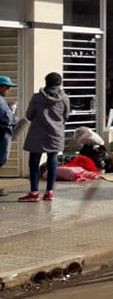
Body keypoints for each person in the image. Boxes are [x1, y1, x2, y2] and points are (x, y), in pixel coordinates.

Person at [19, 72, 70, 202]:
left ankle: (34, 192)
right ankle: (49, 192)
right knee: (53, 161)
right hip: (56, 134)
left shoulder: (37, 97)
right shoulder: (64, 98)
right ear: (59, 83)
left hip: (37, 134)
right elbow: (66, 116)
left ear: (46, 82)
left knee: (34, 162)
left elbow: (29, 115)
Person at [0, 75, 17, 168]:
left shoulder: (2, 100)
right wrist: (12, 110)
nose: (9, 90)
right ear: (1, 87)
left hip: (4, 133)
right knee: (1, 159)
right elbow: (7, 119)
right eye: (7, 87)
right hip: (3, 132)